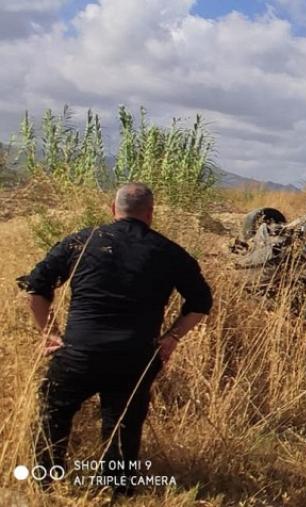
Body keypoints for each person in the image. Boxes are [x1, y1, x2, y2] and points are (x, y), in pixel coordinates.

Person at [19, 183, 212, 493]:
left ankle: (45, 482)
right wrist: (171, 338)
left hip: (78, 353)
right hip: (134, 358)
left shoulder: (83, 241)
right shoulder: (169, 252)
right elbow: (201, 303)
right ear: (150, 214)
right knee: (123, 426)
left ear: (113, 209)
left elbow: (34, 289)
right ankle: (117, 491)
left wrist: (50, 334)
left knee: (53, 414)